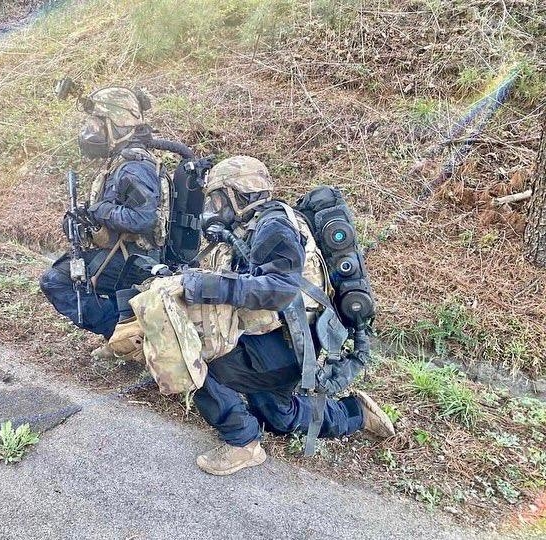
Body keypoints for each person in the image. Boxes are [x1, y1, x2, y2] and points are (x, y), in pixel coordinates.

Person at [179, 155, 395, 476]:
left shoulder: (274, 226)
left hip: (285, 349)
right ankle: (356, 413)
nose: (216, 207)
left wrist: (209, 285)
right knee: (278, 417)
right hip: (290, 344)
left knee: (193, 358)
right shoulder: (261, 224)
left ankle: (243, 443)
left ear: (238, 195)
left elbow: (279, 289)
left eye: (219, 198)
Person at [40, 86, 168, 359]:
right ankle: (125, 333)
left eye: (97, 124)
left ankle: (125, 339)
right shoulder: (120, 162)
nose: (91, 132)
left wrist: (101, 211)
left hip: (136, 259)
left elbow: (143, 219)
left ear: (117, 124)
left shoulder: (135, 166)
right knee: (66, 274)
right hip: (122, 253)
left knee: (56, 282)